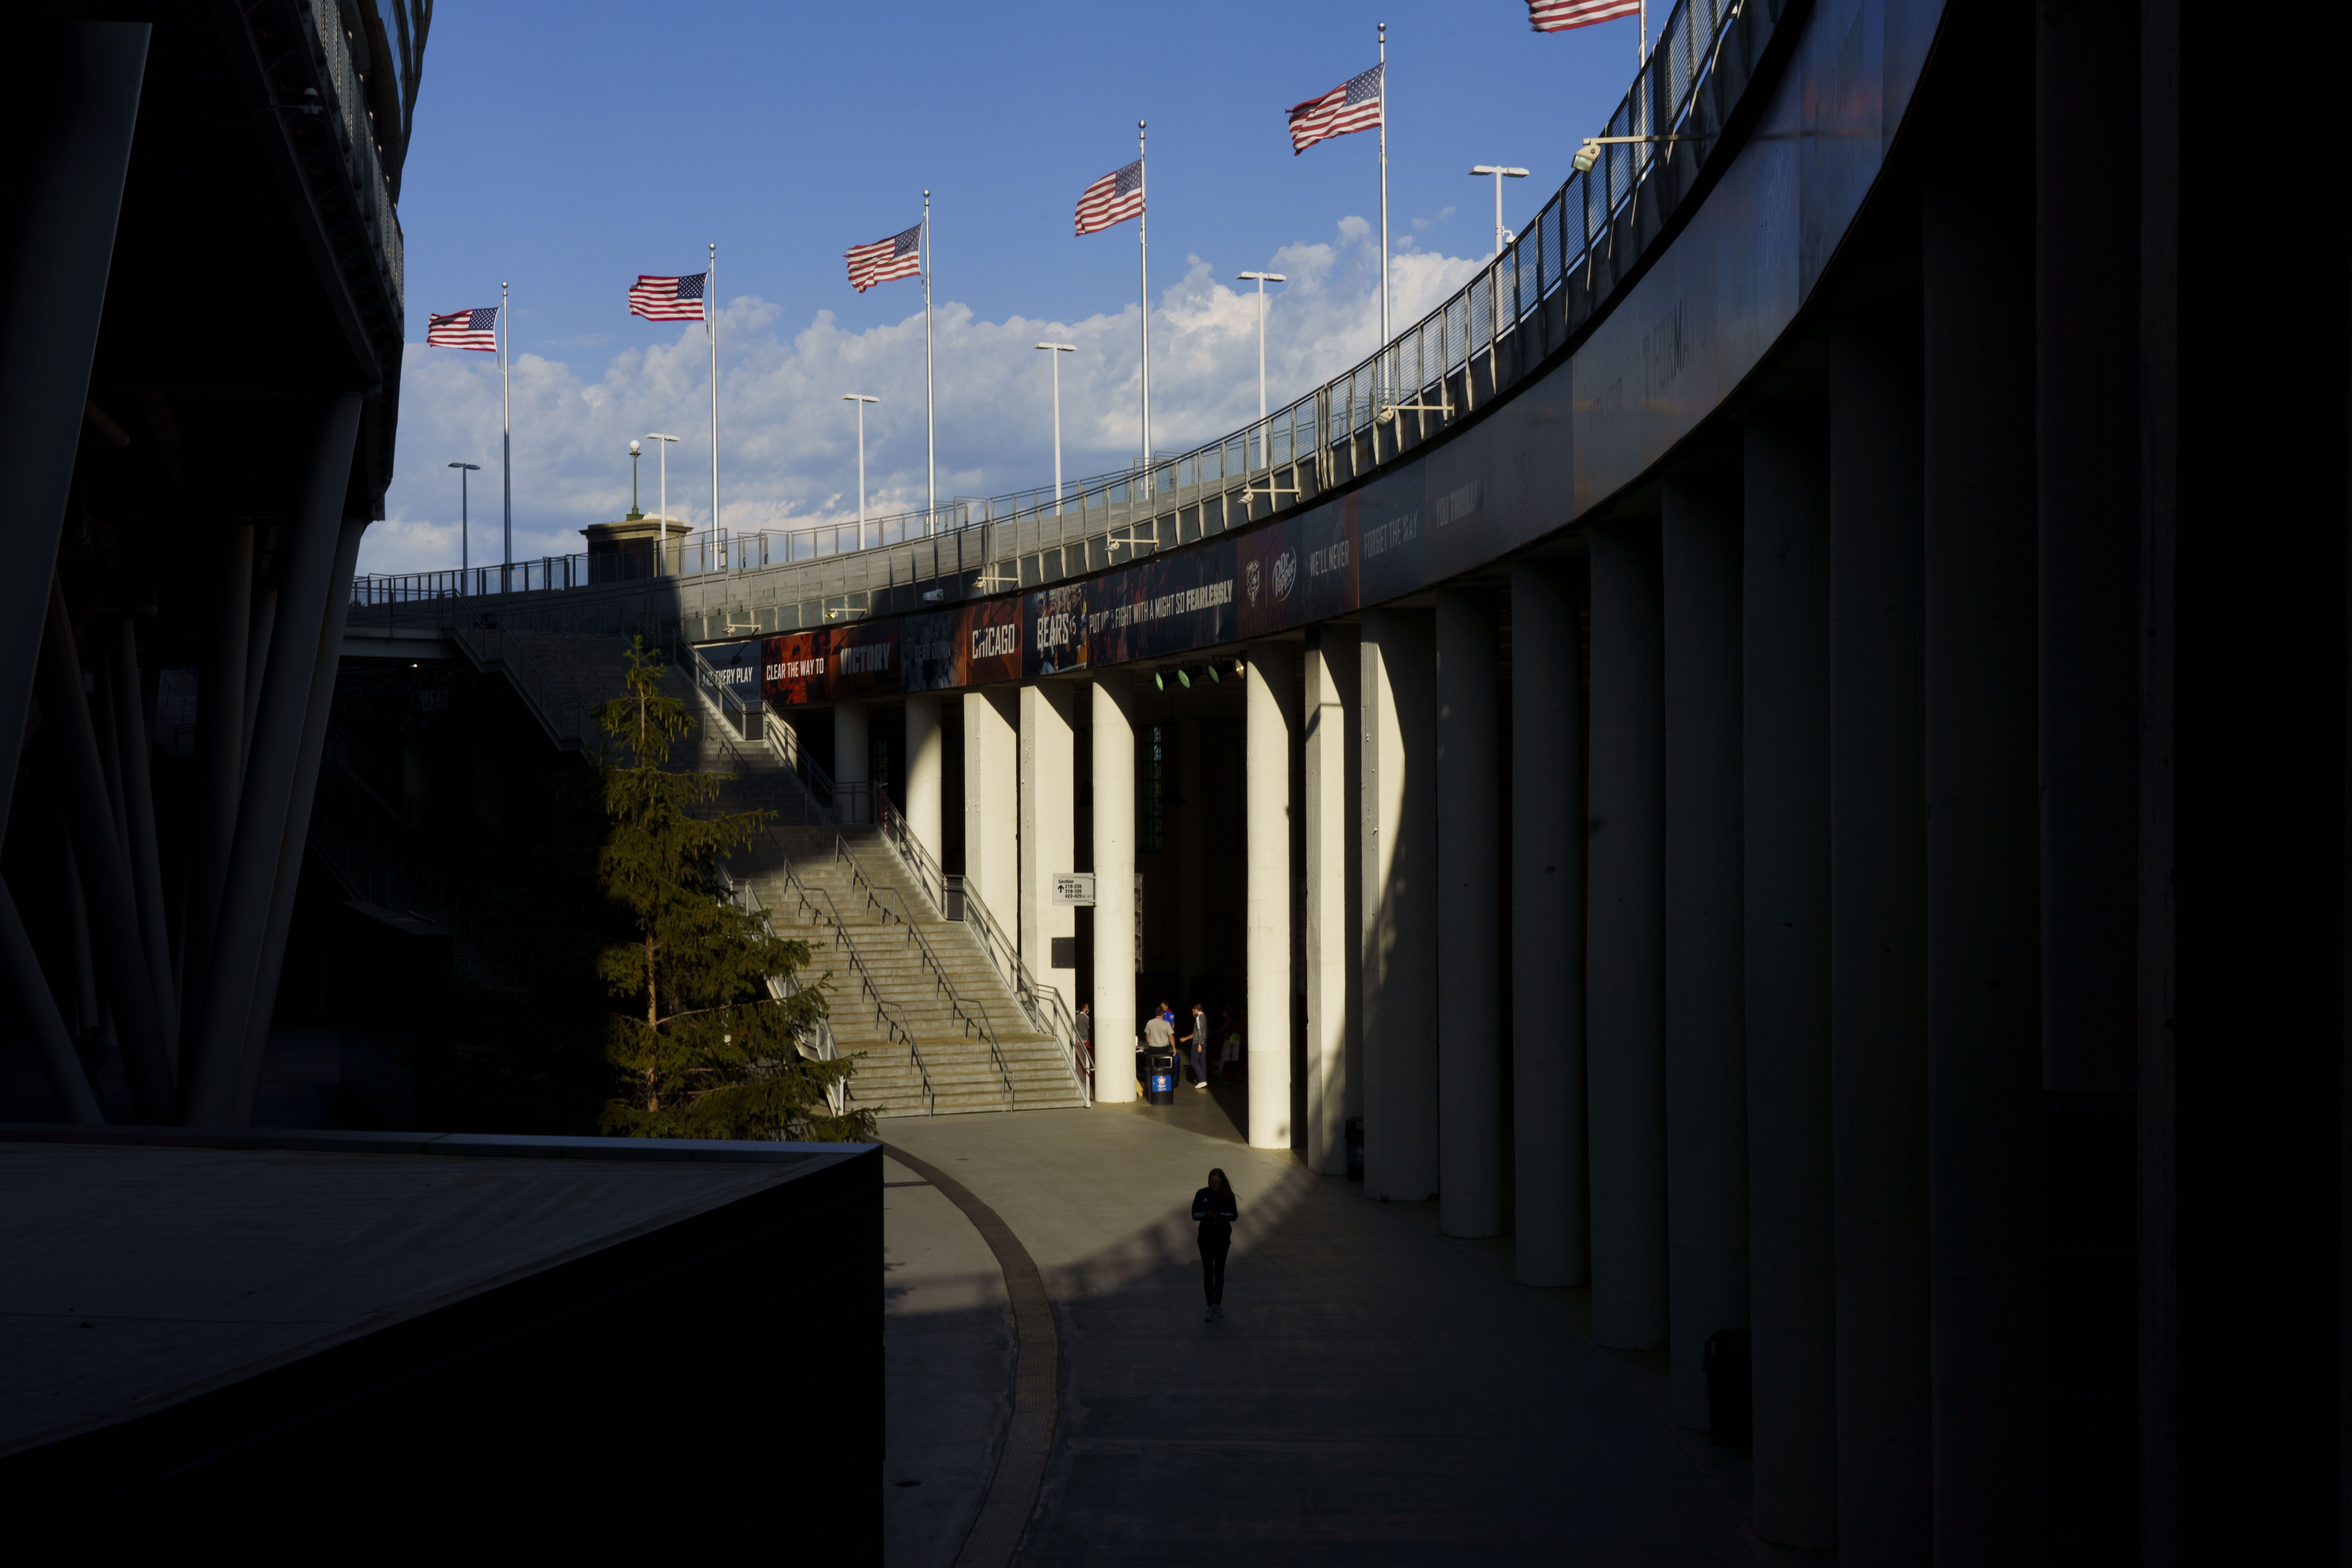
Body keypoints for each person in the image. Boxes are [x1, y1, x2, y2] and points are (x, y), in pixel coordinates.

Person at [1191, 1167, 1239, 1321]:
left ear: (1222, 1182)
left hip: (1222, 1239)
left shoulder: (1228, 1196)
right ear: (1208, 1181)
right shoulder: (1202, 1194)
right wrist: (1207, 1215)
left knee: (1219, 1273)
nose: (1214, 1185)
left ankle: (1218, 1305)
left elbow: (1234, 1215)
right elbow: (1195, 1214)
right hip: (1205, 1239)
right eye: (1212, 1182)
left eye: (1217, 1183)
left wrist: (1220, 1216)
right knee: (1208, 1272)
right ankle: (1210, 1307)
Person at [1143, 1001, 1175, 1092]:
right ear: (1162, 1014)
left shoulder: (1150, 1023)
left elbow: (1147, 1036)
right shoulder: (1166, 1024)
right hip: (1163, 1049)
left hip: (1153, 1048)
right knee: (1163, 1068)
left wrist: (1149, 1044)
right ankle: (1163, 1086)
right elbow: (1171, 1037)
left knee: (1150, 1067)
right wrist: (1174, 1048)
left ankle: (1147, 1087)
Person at [1182, 1002, 1210, 1090]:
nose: (1193, 1013)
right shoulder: (1206, 1018)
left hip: (1199, 1042)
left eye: (1194, 1012)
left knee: (1194, 1061)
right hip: (1205, 1042)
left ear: (1196, 1010)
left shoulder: (1199, 1018)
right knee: (1203, 1062)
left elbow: (1200, 1032)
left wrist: (1200, 1044)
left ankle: (1202, 1081)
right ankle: (1202, 1080)